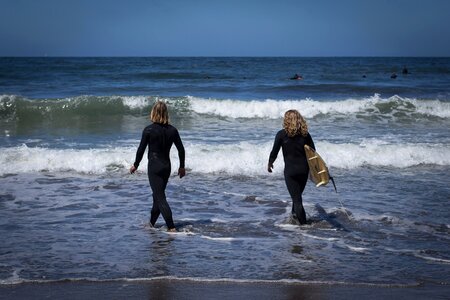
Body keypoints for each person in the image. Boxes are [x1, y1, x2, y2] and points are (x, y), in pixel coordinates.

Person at [130, 101, 186, 232]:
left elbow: (141, 150)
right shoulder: (173, 130)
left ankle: (171, 228)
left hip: (154, 167)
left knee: (160, 197)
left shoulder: (148, 130)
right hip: (166, 167)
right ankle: (151, 224)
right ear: (166, 113)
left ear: (153, 113)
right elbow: (181, 150)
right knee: (157, 196)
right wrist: (182, 167)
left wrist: (135, 165)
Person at [268, 110, 315, 225]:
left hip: (291, 172)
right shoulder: (305, 134)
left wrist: (270, 163)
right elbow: (313, 152)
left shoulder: (281, 134)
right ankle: (294, 216)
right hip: (304, 170)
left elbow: (274, 151)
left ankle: (304, 227)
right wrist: (314, 169)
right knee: (297, 196)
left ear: (286, 120)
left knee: (297, 199)